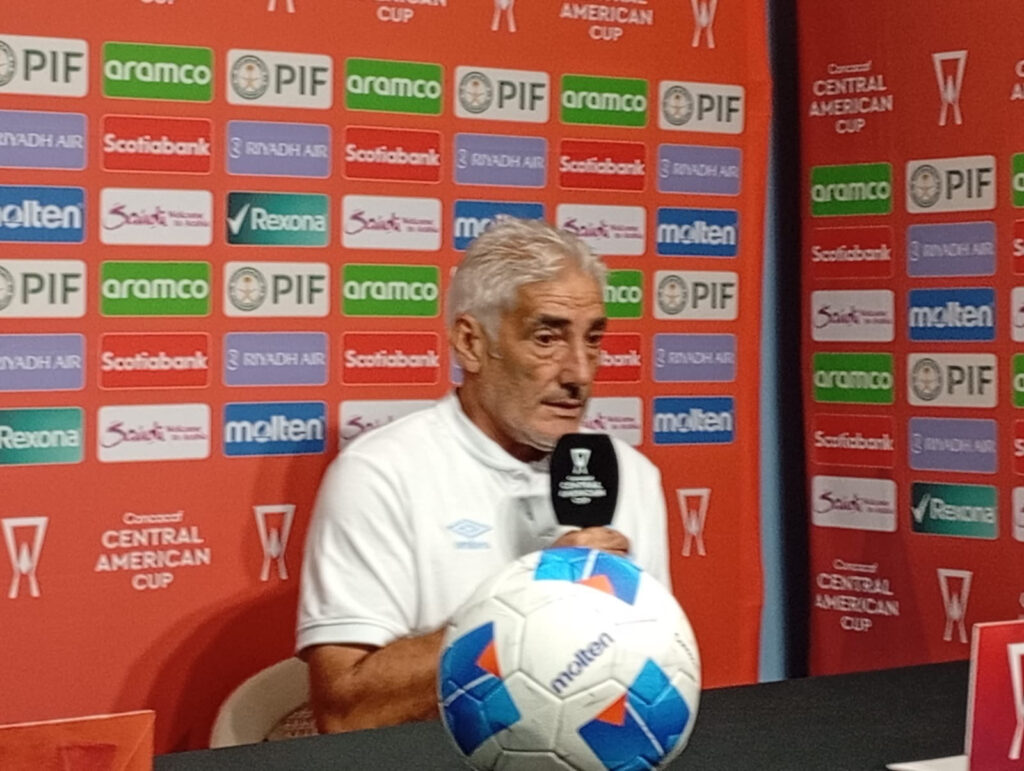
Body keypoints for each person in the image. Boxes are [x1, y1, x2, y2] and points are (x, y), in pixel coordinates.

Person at [296, 218, 669, 734]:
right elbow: (345, 714)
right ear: (471, 343)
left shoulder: (630, 475)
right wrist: (530, 604)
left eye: (593, 340)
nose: (580, 373)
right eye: (547, 338)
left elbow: (654, 678)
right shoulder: (380, 475)